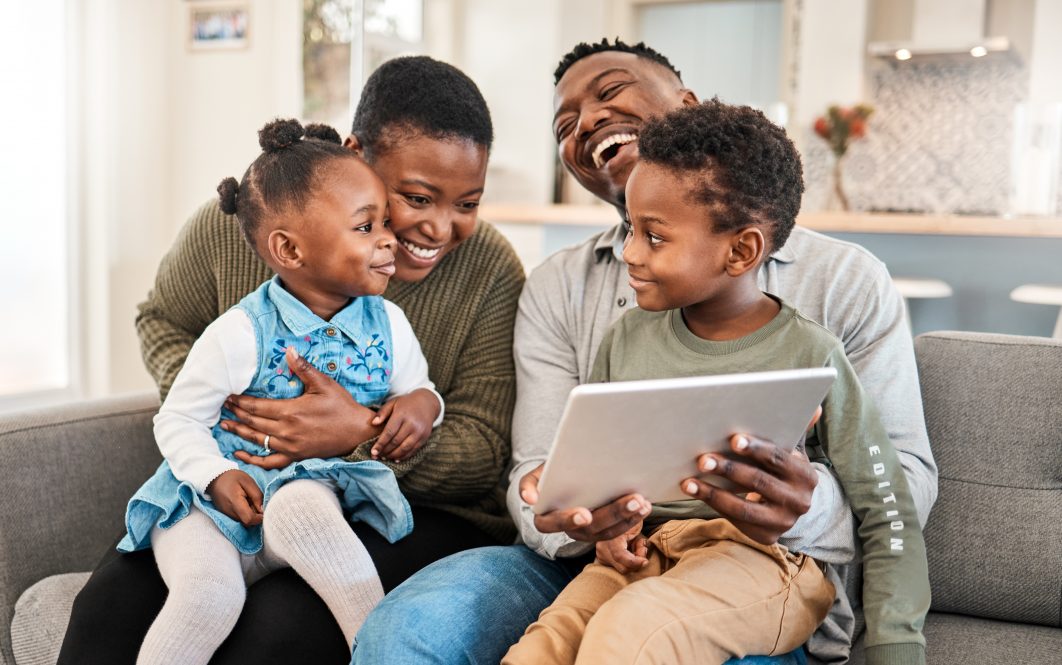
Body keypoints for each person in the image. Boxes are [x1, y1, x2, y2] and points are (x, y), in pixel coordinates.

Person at [351, 39, 936, 665]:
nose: (588, 121)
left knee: (634, 632)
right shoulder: (584, 307)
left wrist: (807, 512)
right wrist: (565, 510)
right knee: (424, 635)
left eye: (609, 91)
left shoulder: (832, 307)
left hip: (762, 566)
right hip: (619, 558)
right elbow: (539, 471)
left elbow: (896, 493)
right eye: (565, 124)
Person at [58, 56, 526, 665]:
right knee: (107, 609)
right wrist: (234, 415)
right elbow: (163, 319)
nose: (438, 228)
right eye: (415, 197)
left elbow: (484, 450)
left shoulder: (490, 271)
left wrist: (359, 434)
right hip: (242, 484)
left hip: (414, 509)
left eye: (468, 203)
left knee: (277, 628)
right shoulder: (241, 227)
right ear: (356, 155)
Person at [503, 100, 929, 665]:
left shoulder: (812, 354)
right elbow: (603, 474)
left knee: (633, 631)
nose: (629, 253)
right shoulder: (624, 339)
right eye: (630, 229)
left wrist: (897, 645)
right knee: (540, 649)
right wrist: (596, 517)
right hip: (645, 556)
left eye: (654, 237)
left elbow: (888, 506)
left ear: (741, 251)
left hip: (764, 562)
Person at [122, 117, 446, 664]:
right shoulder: (240, 333)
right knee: (209, 597)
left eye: (386, 222)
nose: (390, 238)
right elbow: (177, 419)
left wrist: (423, 404)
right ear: (290, 250)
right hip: (210, 509)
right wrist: (215, 475)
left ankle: (382, 654)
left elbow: (420, 390)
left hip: (301, 502)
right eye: (365, 227)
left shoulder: (390, 324)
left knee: (307, 509)